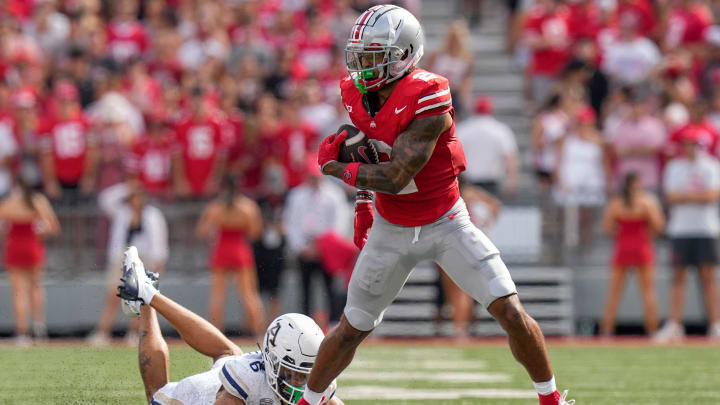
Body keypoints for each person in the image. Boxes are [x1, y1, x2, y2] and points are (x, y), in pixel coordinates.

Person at [304, 5, 574, 405]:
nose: (363, 66)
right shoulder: (354, 93)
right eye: (361, 55)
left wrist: (338, 171)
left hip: (446, 222)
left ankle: (551, 400)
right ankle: (306, 401)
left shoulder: (429, 92)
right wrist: (363, 202)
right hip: (391, 227)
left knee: (511, 312)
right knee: (350, 329)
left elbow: (396, 175)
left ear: (405, 54)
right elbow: (365, 147)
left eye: (375, 56)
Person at [116, 246, 343, 405]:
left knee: (230, 352)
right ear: (272, 362)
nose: (297, 384)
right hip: (197, 397)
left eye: (304, 375)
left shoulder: (321, 386)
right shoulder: (247, 382)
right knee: (156, 394)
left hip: (234, 372)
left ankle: (146, 292)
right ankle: (146, 303)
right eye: (291, 373)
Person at [655, 128, 720, 341]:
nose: (688, 148)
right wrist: (697, 196)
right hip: (680, 229)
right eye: (686, 144)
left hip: (705, 228)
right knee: (678, 277)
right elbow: (671, 196)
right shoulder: (675, 167)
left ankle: (715, 324)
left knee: (708, 278)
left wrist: (687, 196)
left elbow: (713, 195)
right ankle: (675, 324)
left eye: (692, 144)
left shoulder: (711, 165)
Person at [88, 181, 168, 346]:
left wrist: (158, 264)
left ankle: (135, 333)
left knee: (140, 299)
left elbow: (159, 242)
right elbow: (105, 199)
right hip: (122, 258)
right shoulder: (122, 213)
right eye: (133, 196)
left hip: (144, 259)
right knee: (113, 295)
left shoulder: (153, 215)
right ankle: (103, 332)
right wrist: (128, 187)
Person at [282, 157, 349, 328]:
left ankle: (334, 323)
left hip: (326, 248)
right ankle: (303, 325)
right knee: (305, 289)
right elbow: (291, 224)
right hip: (304, 247)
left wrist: (323, 246)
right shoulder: (296, 195)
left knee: (330, 288)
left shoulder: (334, 194)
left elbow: (339, 223)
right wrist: (301, 247)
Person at [196, 176, 265, 338]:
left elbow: (203, 232)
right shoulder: (247, 207)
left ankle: (215, 335)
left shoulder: (215, 207)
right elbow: (255, 233)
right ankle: (259, 333)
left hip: (222, 248)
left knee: (217, 296)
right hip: (240, 248)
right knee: (249, 294)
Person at [0, 171, 60, 345]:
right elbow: (53, 227)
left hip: (15, 248)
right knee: (36, 288)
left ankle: (22, 332)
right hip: (32, 247)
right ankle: (39, 327)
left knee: (19, 292)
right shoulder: (38, 201)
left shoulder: (8, 203)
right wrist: (39, 230)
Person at [600, 172, 664, 336]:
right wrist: (647, 234)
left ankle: (607, 331)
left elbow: (607, 227)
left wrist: (620, 232)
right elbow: (658, 225)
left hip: (623, 245)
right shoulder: (647, 201)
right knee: (648, 292)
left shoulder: (616, 203)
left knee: (614, 292)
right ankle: (652, 331)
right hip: (642, 246)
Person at [454, 95, 519, 196]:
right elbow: (509, 157)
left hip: (468, 183)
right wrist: (512, 181)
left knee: (468, 211)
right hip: (491, 183)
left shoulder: (462, 129)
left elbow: (453, 156)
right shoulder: (501, 130)